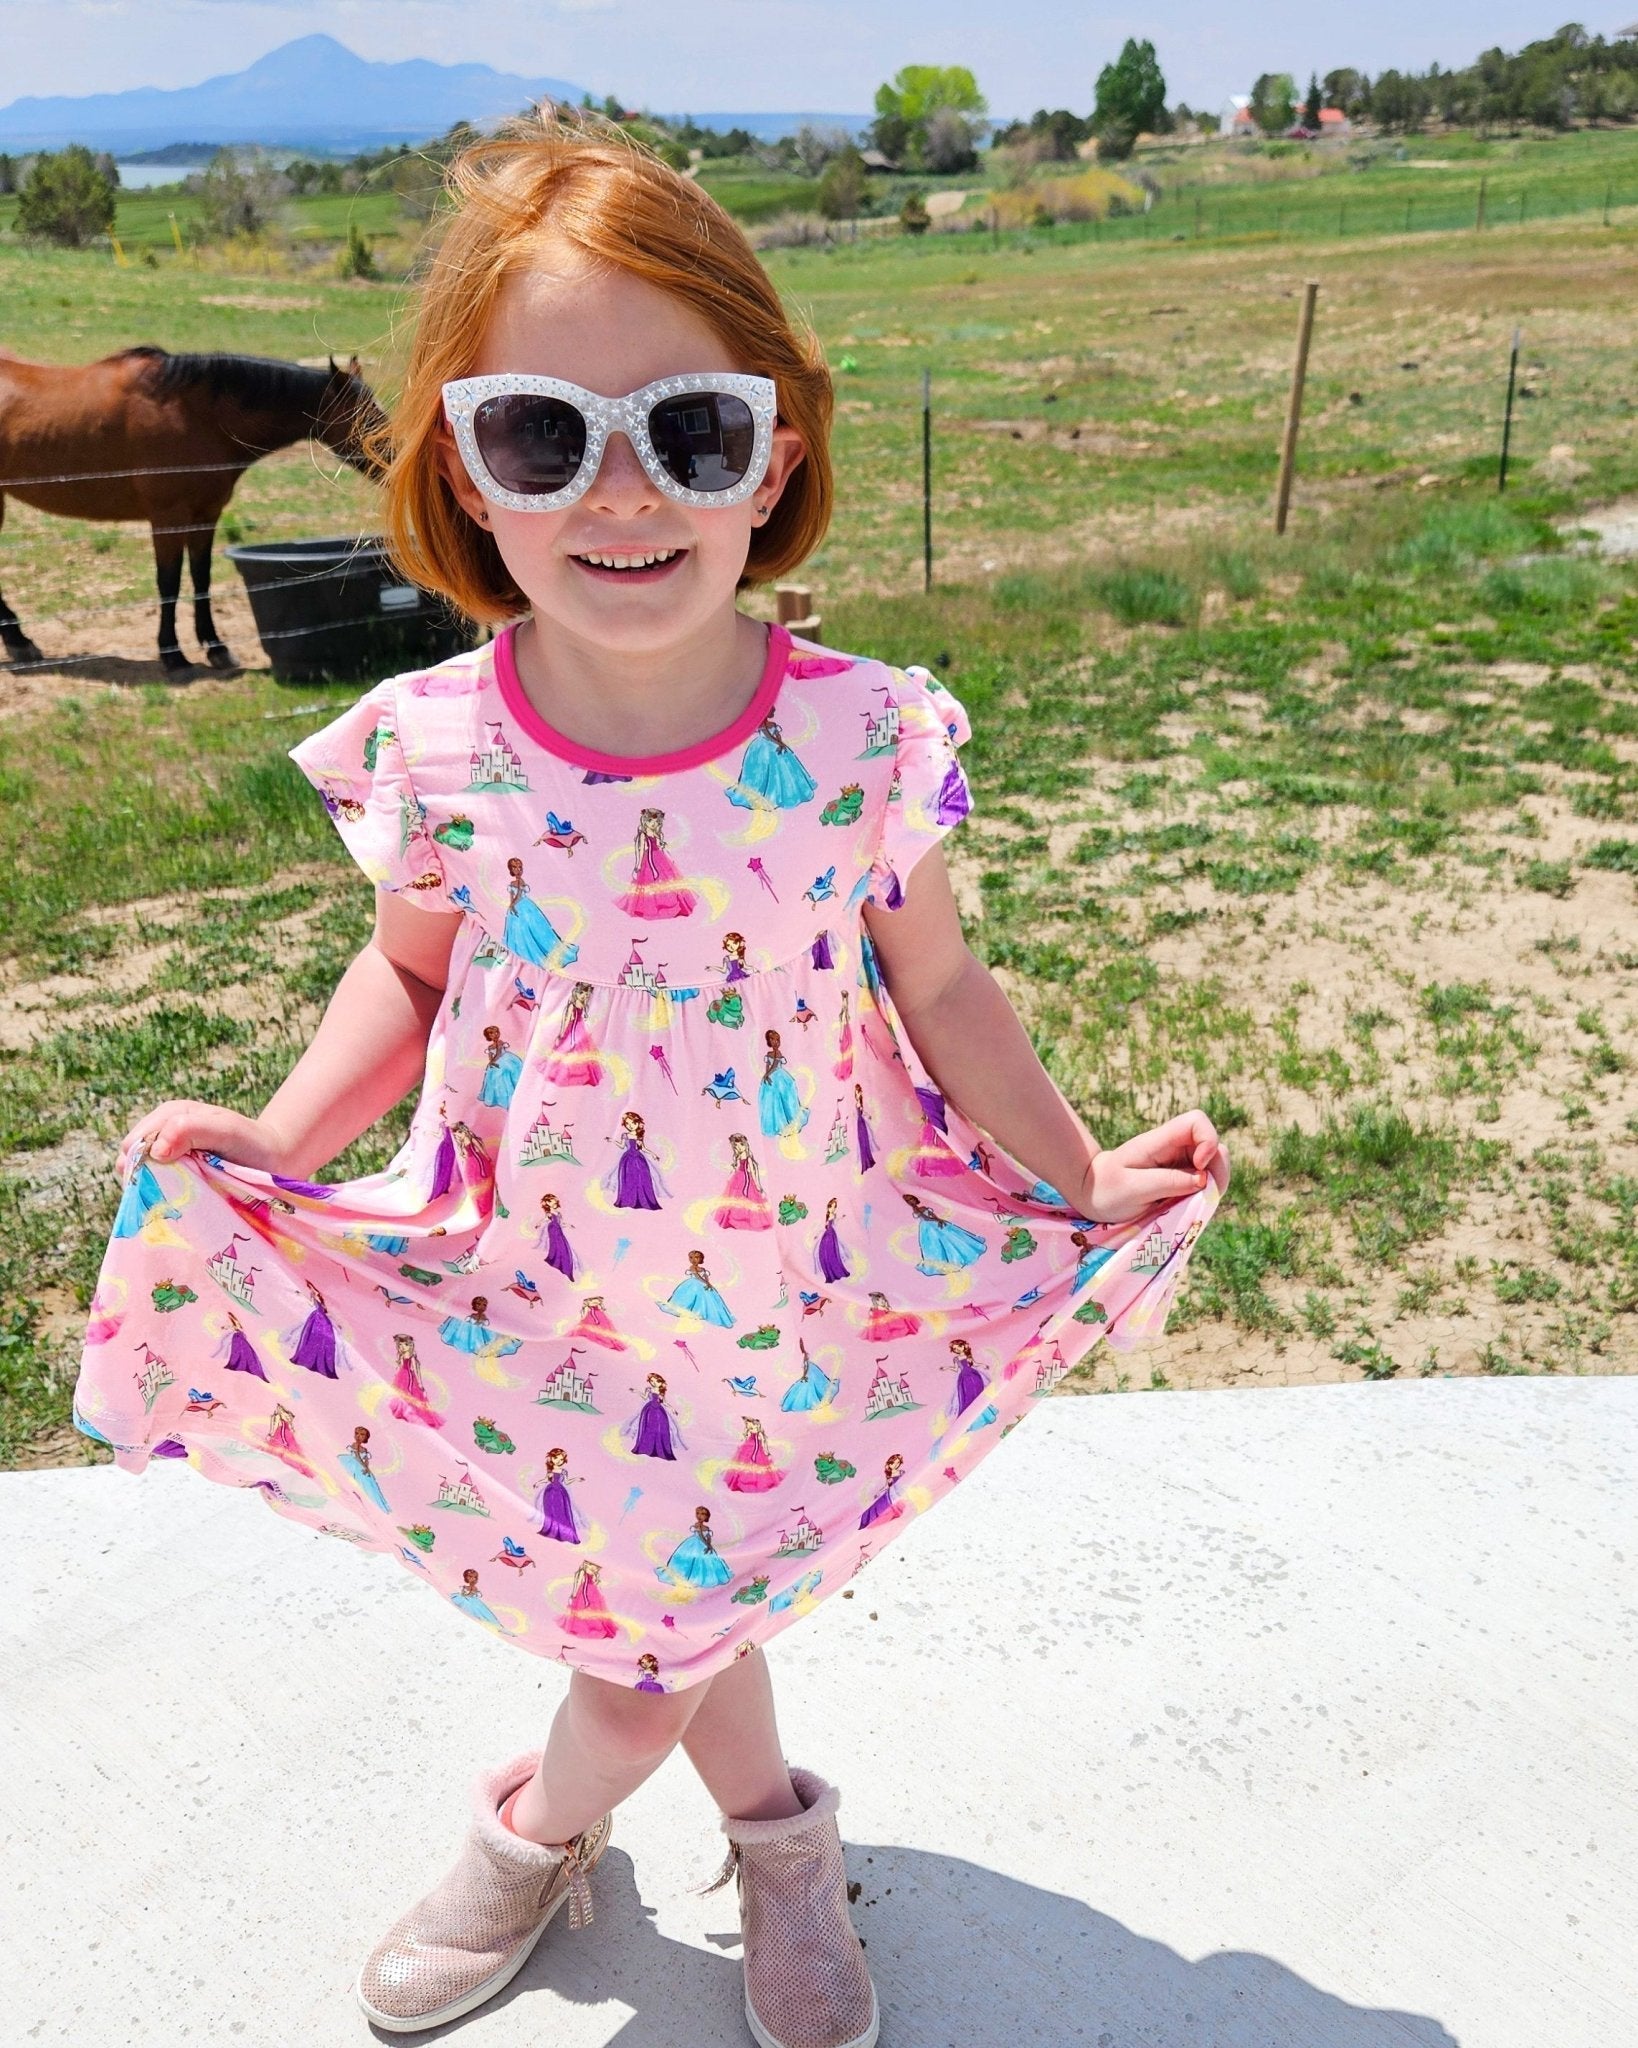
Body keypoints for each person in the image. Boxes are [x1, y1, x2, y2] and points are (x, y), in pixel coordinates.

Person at [68, 109, 1227, 2048]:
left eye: (687, 428)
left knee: (665, 1612)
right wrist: (277, 1137)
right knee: (670, 1604)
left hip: (793, 1270)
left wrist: (1077, 1171)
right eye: (545, 434)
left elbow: (941, 984)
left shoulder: (861, 739)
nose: (623, 492)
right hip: (543, 1278)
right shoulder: (442, 746)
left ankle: (540, 1832)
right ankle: (770, 1839)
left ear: (774, 449)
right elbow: (407, 974)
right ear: (461, 464)